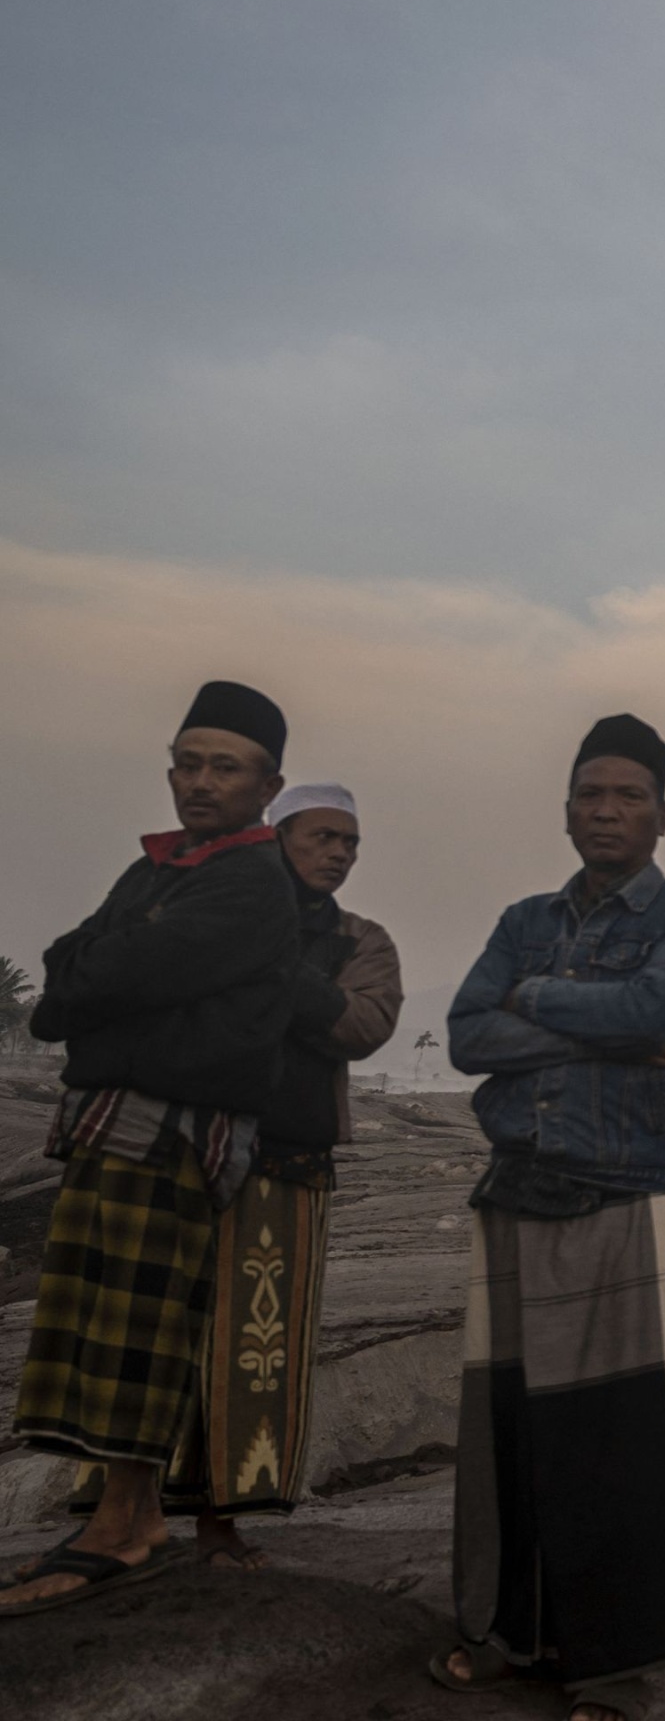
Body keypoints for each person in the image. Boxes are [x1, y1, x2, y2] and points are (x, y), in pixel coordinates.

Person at [435, 714, 665, 1721]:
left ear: (662, 815)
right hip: (515, 1188)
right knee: (511, 1430)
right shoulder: (526, 920)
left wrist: (538, 1004)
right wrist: (590, 1021)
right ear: (566, 809)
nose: (607, 810)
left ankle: (613, 1663)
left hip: (622, 1188)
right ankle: (510, 1630)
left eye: (628, 796)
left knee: (615, 1439)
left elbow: (655, 1014)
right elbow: (468, 1035)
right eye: (589, 794)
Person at [3, 682, 299, 1619]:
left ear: (267, 785)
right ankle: (119, 1515)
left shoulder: (252, 881)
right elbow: (63, 975)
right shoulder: (156, 872)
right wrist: (100, 996)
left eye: (224, 767)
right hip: (118, 1130)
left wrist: (101, 1004)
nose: (199, 782)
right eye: (186, 761)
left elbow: (119, 976)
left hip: (172, 1139)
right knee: (100, 1321)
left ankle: (131, 1523)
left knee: (140, 1328)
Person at [68, 781, 403, 1569]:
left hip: (284, 1162)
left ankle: (222, 1524)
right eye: (322, 837)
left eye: (349, 843)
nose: (339, 854)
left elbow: (365, 1023)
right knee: (147, 1333)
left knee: (258, 1347)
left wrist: (264, 970)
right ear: (274, 836)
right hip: (175, 1147)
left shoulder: (362, 937)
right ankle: (122, 1513)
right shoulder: (205, 906)